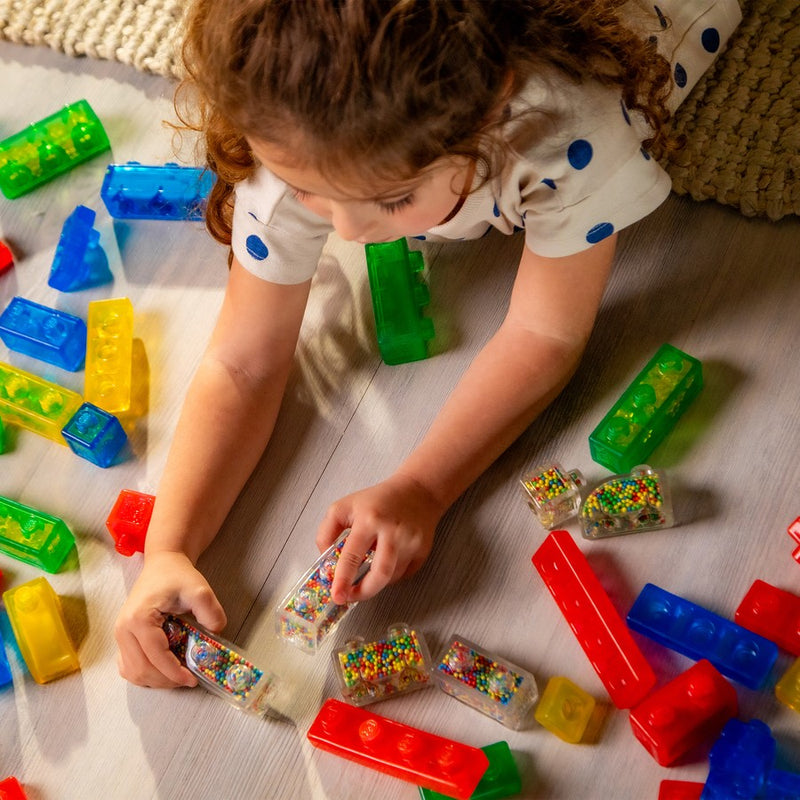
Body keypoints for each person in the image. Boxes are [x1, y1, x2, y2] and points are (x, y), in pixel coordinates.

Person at [115, 0, 741, 687]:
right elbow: (241, 363)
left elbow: (545, 333)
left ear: (489, 111)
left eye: (391, 200)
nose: (347, 232)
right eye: (308, 192)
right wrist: (168, 548)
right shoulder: (293, 126)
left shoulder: (567, 127)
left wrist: (422, 488)